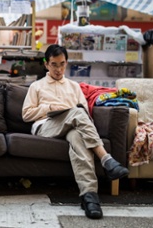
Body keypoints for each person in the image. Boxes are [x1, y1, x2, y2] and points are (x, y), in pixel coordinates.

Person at [22, 45, 129, 220]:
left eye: (62, 64)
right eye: (54, 64)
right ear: (46, 64)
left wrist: (72, 113)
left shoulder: (74, 86)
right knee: (77, 112)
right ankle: (106, 159)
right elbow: (26, 115)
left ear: (67, 63)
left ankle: (89, 197)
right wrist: (49, 107)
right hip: (46, 126)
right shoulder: (36, 86)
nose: (58, 69)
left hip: (73, 127)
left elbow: (86, 115)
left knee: (79, 137)